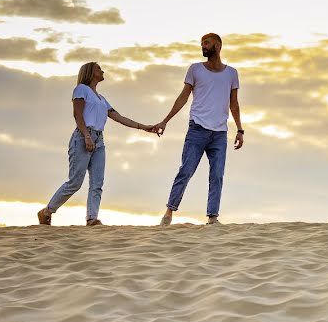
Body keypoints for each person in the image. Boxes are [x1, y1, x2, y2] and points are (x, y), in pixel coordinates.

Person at [38, 62, 159, 226]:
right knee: (75, 182)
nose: (102, 71)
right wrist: (86, 136)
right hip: (82, 137)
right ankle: (47, 211)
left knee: (97, 183)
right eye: (98, 68)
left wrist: (144, 127)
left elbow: (119, 117)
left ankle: (91, 219)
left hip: (99, 141)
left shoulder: (102, 99)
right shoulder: (81, 89)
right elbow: (77, 115)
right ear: (90, 72)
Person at [155, 33, 243, 225]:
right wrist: (165, 120)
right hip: (197, 129)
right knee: (186, 170)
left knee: (217, 175)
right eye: (201, 43)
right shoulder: (195, 69)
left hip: (220, 133)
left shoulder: (231, 73)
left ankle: (212, 217)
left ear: (218, 46)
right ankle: (169, 213)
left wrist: (240, 130)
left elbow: (233, 104)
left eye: (207, 43)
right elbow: (183, 97)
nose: (203, 46)